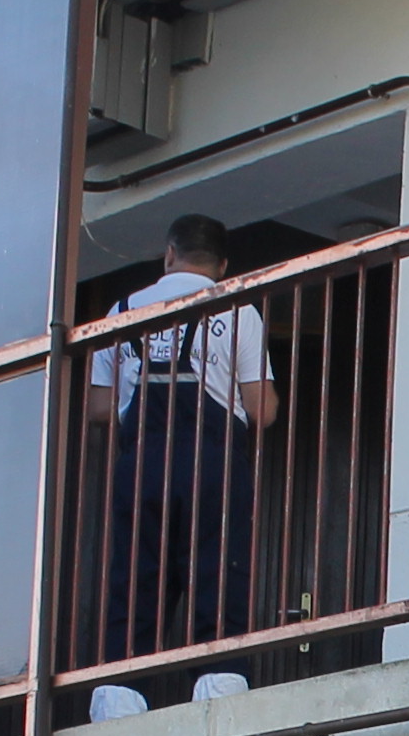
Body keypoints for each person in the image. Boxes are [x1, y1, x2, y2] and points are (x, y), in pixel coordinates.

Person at [81, 215, 274, 671]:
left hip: (143, 461)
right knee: (219, 573)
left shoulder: (121, 310)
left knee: (136, 576)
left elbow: (98, 407)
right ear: (222, 265)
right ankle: (220, 682)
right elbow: (261, 410)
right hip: (213, 461)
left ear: (169, 254)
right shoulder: (237, 309)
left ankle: (122, 690)